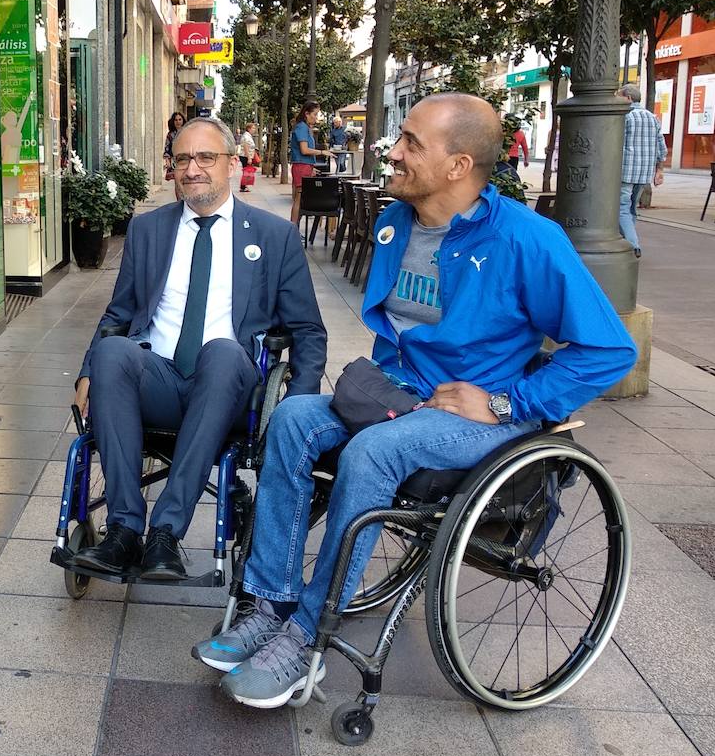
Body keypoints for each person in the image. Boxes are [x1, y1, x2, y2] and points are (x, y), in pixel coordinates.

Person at [194, 93, 637, 708]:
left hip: (476, 415)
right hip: (401, 396)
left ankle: (305, 637)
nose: (393, 153)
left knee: (374, 452)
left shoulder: (530, 240)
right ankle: (270, 603)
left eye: (410, 143)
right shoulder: (395, 223)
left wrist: (509, 403)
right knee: (294, 418)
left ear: (458, 165)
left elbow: (611, 350)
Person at [71, 116, 327, 580]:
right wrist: (89, 367)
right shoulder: (148, 231)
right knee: (113, 354)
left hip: (227, 388)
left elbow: (308, 330)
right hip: (161, 379)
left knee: (225, 352)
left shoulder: (273, 236)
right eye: (183, 158)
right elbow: (118, 314)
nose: (192, 169)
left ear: (232, 163)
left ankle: (166, 533)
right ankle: (124, 530)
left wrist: (298, 403)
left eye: (205, 157)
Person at [617, 83, 667, 258]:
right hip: (644, 172)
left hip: (626, 170)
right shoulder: (652, 117)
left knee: (622, 207)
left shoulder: (625, 116)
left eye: (619, 95)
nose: (617, 99)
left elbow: (617, 142)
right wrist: (659, 170)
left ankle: (632, 244)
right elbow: (661, 146)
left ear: (628, 98)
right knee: (631, 207)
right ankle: (627, 240)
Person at [289, 100, 323, 227]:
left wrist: (311, 167)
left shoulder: (304, 127)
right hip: (301, 166)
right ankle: (293, 228)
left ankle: (294, 228)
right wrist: (322, 152)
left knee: (300, 198)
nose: (316, 117)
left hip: (304, 166)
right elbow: (304, 150)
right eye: (314, 114)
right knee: (298, 198)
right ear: (307, 114)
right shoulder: (302, 127)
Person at [164, 112, 185, 180]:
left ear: (183, 120)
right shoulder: (170, 135)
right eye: (176, 120)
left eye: (180, 119)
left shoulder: (187, 132)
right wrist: (167, 160)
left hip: (186, 160)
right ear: (173, 122)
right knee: (177, 181)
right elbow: (167, 148)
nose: (178, 122)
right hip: (174, 162)